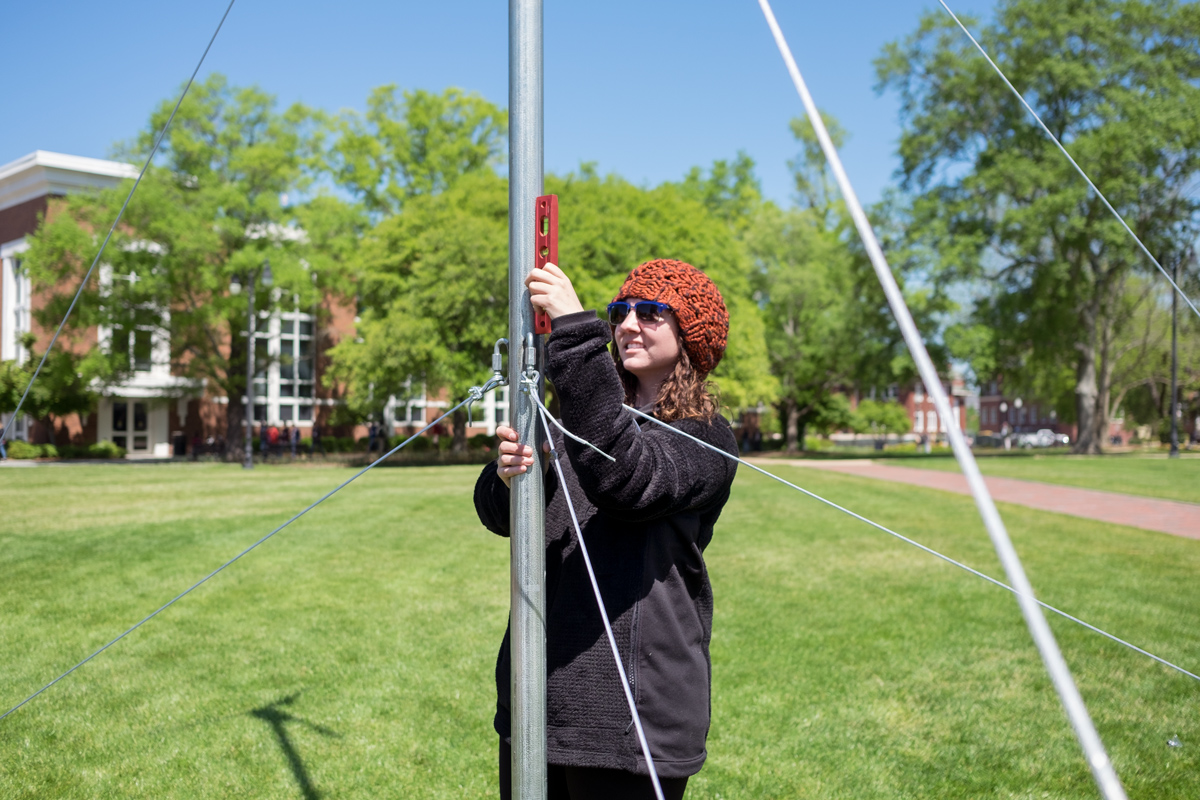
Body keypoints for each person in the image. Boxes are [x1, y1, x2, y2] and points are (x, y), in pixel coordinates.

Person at [474, 259, 738, 800]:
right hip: (539, 694)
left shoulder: (707, 435)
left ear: (691, 335)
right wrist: (508, 477)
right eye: (621, 311)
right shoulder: (581, 413)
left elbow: (627, 480)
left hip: (630, 714)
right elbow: (501, 517)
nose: (628, 324)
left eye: (652, 312)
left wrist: (575, 330)